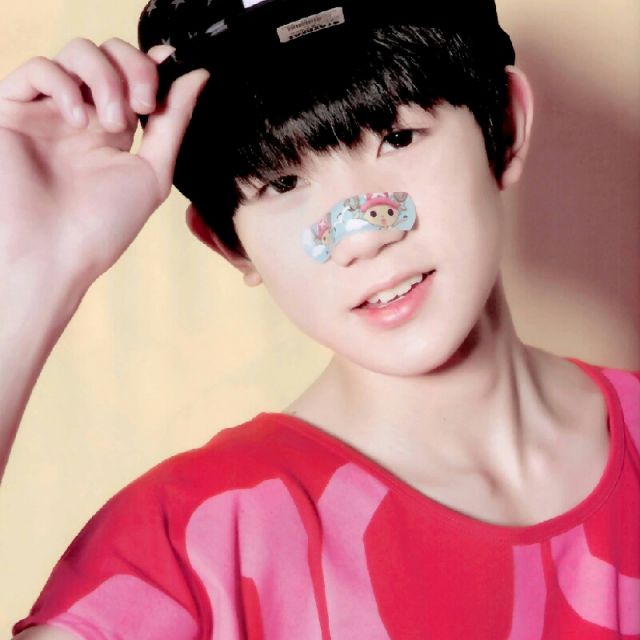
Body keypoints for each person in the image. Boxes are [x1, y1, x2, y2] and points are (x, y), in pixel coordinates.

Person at [2, 0, 638, 637]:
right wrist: (28, 274)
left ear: (505, 125)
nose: (361, 235)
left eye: (397, 137)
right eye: (281, 183)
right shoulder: (185, 551)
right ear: (228, 244)